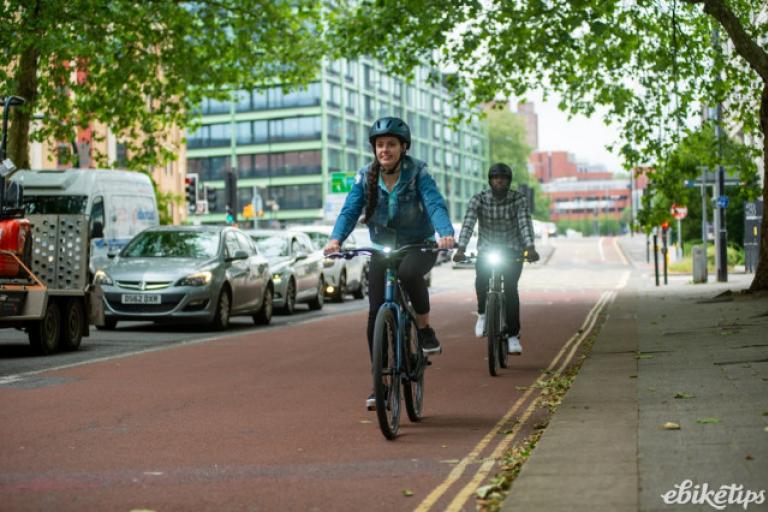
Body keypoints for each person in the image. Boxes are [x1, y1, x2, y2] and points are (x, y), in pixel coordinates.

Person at [323, 117, 454, 410]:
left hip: (418, 244)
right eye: (380, 145)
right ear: (374, 149)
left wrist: (445, 233)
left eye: (391, 144)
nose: (385, 150)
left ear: (403, 147)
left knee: (409, 273)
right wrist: (335, 239)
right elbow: (349, 210)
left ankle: (423, 329)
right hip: (383, 248)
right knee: (375, 314)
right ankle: (380, 382)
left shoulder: (418, 172)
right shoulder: (365, 176)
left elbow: (434, 204)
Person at [453, 163, 540, 355]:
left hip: (513, 250)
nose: (499, 181)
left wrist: (530, 248)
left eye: (503, 178)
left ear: (508, 181)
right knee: (481, 278)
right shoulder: (479, 199)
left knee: (510, 289)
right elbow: (468, 223)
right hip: (487, 248)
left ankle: (513, 336)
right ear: (490, 180)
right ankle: (483, 314)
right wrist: (461, 248)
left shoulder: (518, 199)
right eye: (495, 177)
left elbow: (525, 224)